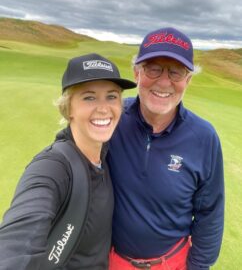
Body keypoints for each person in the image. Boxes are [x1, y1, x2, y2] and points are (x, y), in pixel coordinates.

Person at [0, 53, 136, 270]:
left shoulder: (105, 154)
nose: (103, 108)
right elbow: (16, 246)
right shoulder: (53, 167)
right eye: (89, 97)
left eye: (112, 96)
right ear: (68, 108)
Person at [108, 28, 224, 270]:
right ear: (136, 73)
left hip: (172, 263)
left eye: (175, 72)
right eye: (153, 68)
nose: (164, 81)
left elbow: (210, 213)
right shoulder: (112, 118)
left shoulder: (204, 137)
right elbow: (70, 151)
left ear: (187, 80)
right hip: (112, 260)